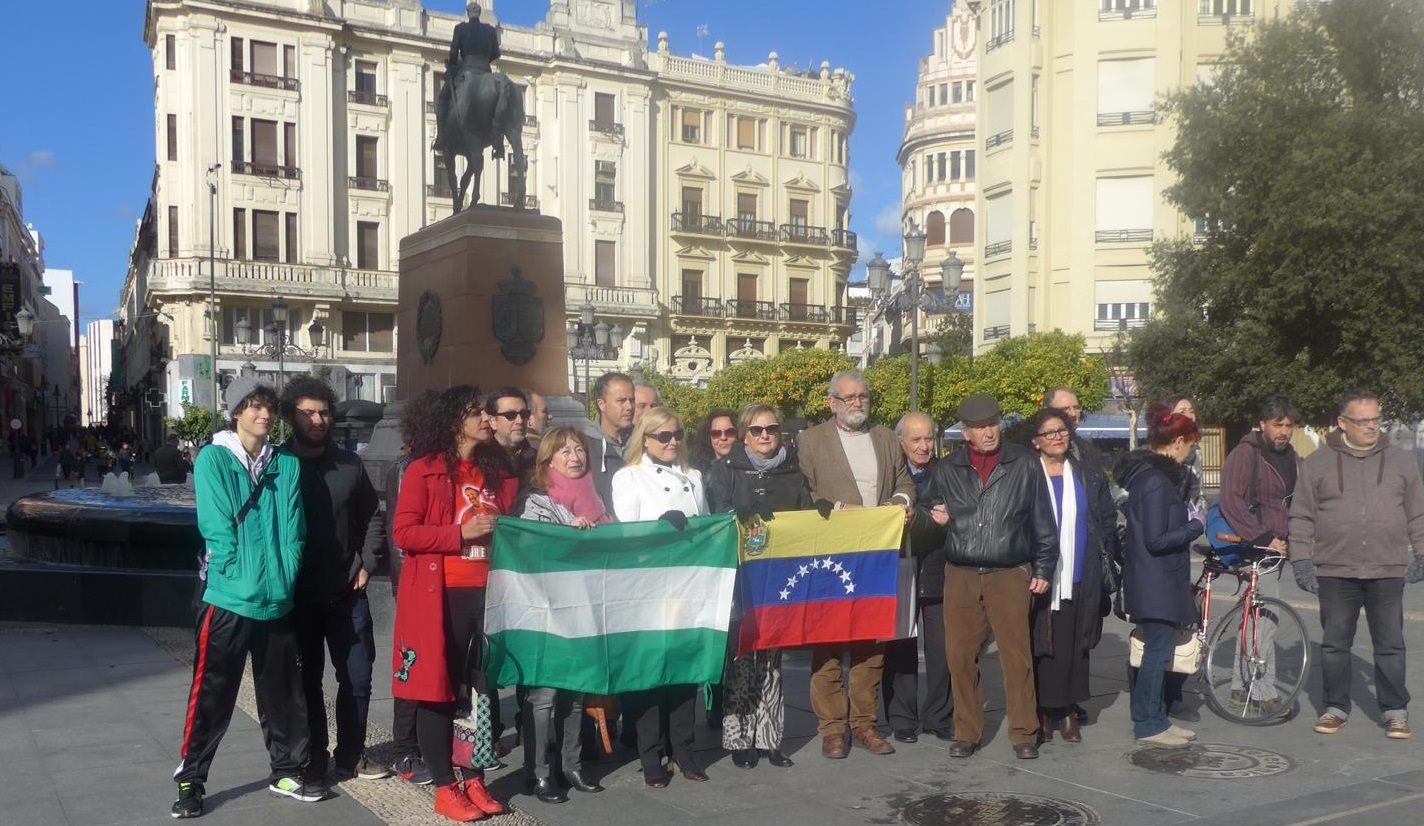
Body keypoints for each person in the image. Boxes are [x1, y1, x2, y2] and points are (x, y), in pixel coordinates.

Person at [170, 378, 318, 819]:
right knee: (212, 694)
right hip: (229, 598)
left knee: (283, 693)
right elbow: (215, 525)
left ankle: (287, 770)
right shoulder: (214, 459)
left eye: (269, 407)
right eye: (253, 406)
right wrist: (234, 570)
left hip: (278, 599)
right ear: (236, 412)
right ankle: (191, 781)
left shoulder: (285, 464)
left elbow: (295, 526)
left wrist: (288, 570)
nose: (264, 415)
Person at [391, 385, 517, 822]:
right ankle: (446, 786)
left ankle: (474, 776)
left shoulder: (494, 469)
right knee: (439, 692)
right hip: (441, 595)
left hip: (489, 593)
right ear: (452, 421)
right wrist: (459, 534)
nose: (486, 418)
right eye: (476, 412)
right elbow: (404, 533)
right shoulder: (423, 470)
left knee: (480, 692)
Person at [919, 394, 1056, 760]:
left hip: (1009, 572)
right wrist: (934, 515)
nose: (989, 432)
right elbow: (925, 508)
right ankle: (967, 731)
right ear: (966, 433)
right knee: (960, 656)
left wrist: (1044, 567)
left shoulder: (1025, 463)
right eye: (980, 427)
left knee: (1016, 657)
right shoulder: (947, 469)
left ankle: (1024, 732)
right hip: (961, 573)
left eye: (993, 423)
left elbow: (1043, 520)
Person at [1290, 390, 1424, 740]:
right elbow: (1301, 515)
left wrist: (1422, 553)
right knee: (1335, 645)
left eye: (1376, 419)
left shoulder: (1401, 461)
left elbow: (1418, 512)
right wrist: (1301, 559)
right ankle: (1335, 707)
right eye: (1363, 420)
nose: (1372, 426)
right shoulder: (1318, 463)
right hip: (1335, 570)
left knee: (1391, 644)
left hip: (1387, 569)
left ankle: (1395, 711)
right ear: (1342, 423)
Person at [797, 371, 915, 760]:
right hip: (831, 555)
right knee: (827, 645)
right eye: (849, 398)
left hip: (876, 555)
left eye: (862, 396)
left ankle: (864, 724)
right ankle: (832, 729)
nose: (857, 403)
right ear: (832, 402)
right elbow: (806, 494)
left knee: (871, 646)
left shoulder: (885, 438)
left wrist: (898, 505)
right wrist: (839, 508)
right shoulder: (811, 441)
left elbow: (905, 483)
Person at [281, 376, 389, 785]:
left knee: (357, 678)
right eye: (308, 413)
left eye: (324, 412)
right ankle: (314, 756)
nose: (317, 420)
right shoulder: (277, 466)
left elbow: (372, 516)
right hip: (298, 596)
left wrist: (367, 563)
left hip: (348, 591)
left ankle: (351, 755)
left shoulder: (350, 464)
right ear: (291, 416)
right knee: (306, 680)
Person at [706, 404, 810, 770]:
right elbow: (718, 514)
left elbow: (805, 515)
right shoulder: (726, 469)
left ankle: (770, 738)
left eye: (771, 428)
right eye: (756, 430)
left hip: (778, 578)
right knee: (742, 659)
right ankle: (740, 740)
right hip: (740, 576)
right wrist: (741, 514)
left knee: (772, 661)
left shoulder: (792, 470)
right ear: (744, 435)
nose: (765, 435)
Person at [610, 406, 710, 787]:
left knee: (684, 670)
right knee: (650, 672)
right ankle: (650, 754)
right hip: (648, 583)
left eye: (677, 435)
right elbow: (626, 534)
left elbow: (704, 525)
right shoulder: (629, 476)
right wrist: (659, 527)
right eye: (664, 436)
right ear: (646, 439)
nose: (672, 442)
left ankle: (684, 748)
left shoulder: (693, 476)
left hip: (687, 581)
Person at [517, 426, 610, 802]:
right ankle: (538, 773)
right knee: (544, 696)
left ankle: (571, 765)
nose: (575, 457)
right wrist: (565, 535)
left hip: (584, 608)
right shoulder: (537, 501)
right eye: (565, 451)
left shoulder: (596, 497)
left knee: (575, 693)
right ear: (549, 460)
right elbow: (528, 551)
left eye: (579, 450)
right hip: (547, 612)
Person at [1025, 407, 1119, 744]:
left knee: (1077, 645)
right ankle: (1043, 711)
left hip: (1081, 572)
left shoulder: (1086, 473)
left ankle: (1068, 711)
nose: (1057, 437)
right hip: (1041, 576)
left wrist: (1107, 556)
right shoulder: (1027, 474)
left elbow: (1106, 519)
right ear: (1036, 441)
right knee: (1045, 645)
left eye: (1062, 431)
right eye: (1049, 433)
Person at [1115, 404, 1205, 749]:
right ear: (1178, 442)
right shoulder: (1155, 481)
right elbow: (1155, 539)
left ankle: (1156, 719)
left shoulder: (1153, 477)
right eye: (1191, 445)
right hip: (1155, 583)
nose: (1192, 452)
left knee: (1159, 651)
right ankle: (1147, 723)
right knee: (1156, 653)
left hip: (1157, 581)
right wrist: (1194, 525)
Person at [1217, 395, 1301, 716]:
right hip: (1253, 547)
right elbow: (1231, 502)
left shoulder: (1292, 457)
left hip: (1277, 548)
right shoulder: (1245, 455)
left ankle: (1241, 688)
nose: (1284, 431)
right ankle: (1264, 692)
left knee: (1255, 619)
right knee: (1266, 618)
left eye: (1289, 425)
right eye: (1278, 425)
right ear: (1262, 424)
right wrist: (1265, 538)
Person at [880, 412, 953, 745]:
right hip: (898, 570)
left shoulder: (948, 472)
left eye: (929, 438)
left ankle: (939, 717)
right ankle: (902, 718)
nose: (924, 446)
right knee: (899, 647)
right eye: (916, 439)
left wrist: (947, 517)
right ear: (901, 442)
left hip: (939, 571)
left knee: (942, 649)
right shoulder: (890, 476)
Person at [437, 2, 502, 155]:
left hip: (465, 71)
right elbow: (497, 53)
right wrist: (485, 60)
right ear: (479, 13)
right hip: (485, 72)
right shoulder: (490, 30)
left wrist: (453, 65)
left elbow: (453, 52)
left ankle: (440, 137)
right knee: (500, 103)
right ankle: (499, 141)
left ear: (468, 13)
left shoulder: (460, 29)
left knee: (442, 99)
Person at [576, 372, 634, 511]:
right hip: (600, 522)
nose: (629, 407)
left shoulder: (645, 441)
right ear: (602, 404)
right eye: (621, 401)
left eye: (632, 400)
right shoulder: (581, 444)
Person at [485, 386, 535, 484]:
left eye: (524, 414)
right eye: (510, 415)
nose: (520, 421)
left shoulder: (537, 460)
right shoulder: (482, 460)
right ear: (493, 422)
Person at [1045, 387, 1102, 470]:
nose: (1073, 414)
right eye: (1065, 409)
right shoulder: (1031, 453)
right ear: (1048, 412)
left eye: (1076, 408)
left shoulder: (1088, 450)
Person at [692, 409, 739, 474]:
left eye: (730, 432)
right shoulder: (698, 473)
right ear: (708, 437)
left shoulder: (750, 468)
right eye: (716, 433)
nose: (723, 438)